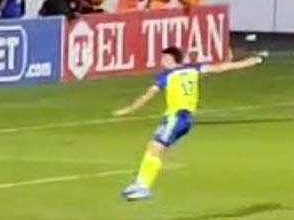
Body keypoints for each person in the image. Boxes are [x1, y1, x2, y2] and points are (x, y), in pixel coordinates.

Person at [113, 47, 265, 201]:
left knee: (155, 148)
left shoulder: (167, 75)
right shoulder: (193, 69)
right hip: (184, 118)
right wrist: (249, 62)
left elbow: (148, 95)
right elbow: (221, 67)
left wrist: (129, 109)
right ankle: (140, 184)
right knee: (153, 146)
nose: (162, 61)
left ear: (171, 59)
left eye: (164, 58)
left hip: (176, 117)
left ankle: (143, 187)